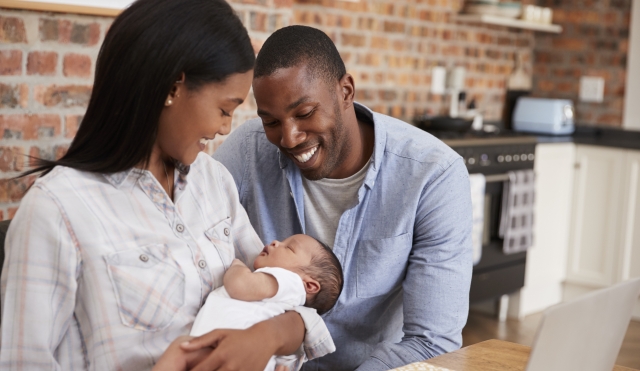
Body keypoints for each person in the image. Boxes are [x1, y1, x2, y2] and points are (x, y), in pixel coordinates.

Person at [0, 2, 334, 370]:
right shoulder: (56, 211)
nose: (226, 128)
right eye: (225, 109)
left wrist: (265, 337)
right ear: (173, 87)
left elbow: (283, 295)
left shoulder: (213, 181)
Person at [213, 25, 474, 370]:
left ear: (346, 91)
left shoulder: (433, 175)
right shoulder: (248, 151)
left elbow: (433, 342)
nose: (289, 138)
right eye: (272, 121)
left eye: (305, 114)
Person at [158, 234, 344, 371]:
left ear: (309, 285)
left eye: (289, 248)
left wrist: (237, 267)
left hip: (236, 355)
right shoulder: (282, 295)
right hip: (225, 353)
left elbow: (240, 286)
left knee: (180, 349)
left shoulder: (290, 282)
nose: (275, 242)